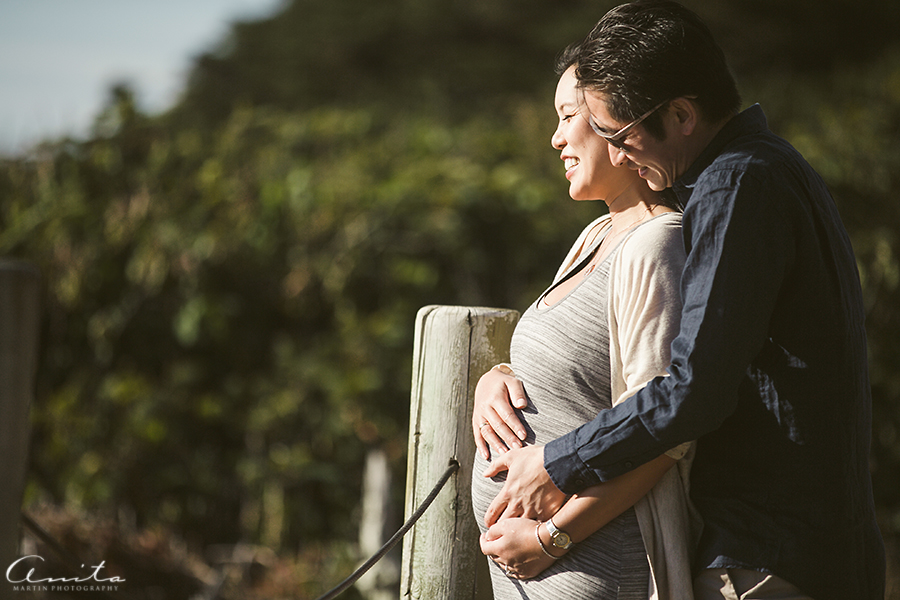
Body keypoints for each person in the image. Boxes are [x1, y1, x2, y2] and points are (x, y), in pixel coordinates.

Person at [477, 2, 886, 599]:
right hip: (787, 550)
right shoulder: (765, 167)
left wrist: (556, 465)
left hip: (764, 557)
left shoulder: (735, 184)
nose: (620, 155)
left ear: (682, 114)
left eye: (621, 135)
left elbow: (692, 391)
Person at [470, 45, 699, 599]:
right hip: (537, 566)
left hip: (588, 563)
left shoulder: (656, 243)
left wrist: (551, 537)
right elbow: (572, 370)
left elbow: (663, 431)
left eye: (568, 116)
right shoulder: (596, 234)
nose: (556, 139)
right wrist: (495, 377)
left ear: (614, 123)